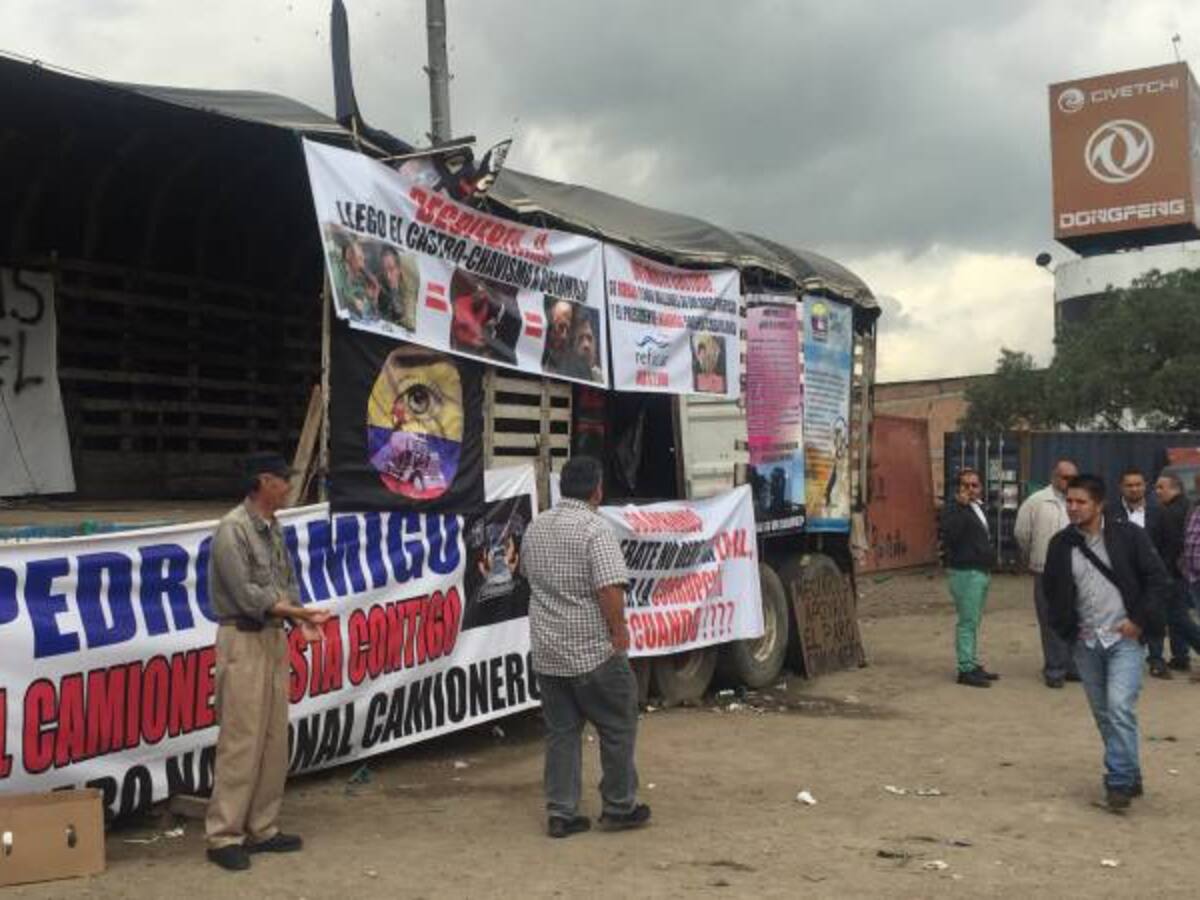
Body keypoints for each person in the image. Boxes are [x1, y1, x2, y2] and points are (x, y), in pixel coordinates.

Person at [205, 454, 331, 871]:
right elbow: (248, 596)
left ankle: (262, 827)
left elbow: (285, 582)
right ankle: (224, 835)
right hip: (242, 639)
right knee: (241, 739)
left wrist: (300, 620)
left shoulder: (273, 528)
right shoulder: (232, 530)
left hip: (273, 637)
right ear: (264, 481)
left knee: (274, 740)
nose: (289, 486)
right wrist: (300, 615)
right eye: (283, 479)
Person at [519, 455, 650, 838]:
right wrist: (619, 630)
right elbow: (608, 587)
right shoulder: (596, 529)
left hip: (548, 651)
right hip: (592, 650)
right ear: (597, 489)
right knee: (618, 723)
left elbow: (527, 575)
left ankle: (562, 813)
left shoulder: (536, 526)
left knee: (561, 732)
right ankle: (619, 805)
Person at [1043, 474, 1167, 811]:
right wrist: (1066, 629)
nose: (1073, 507)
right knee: (1104, 714)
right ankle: (1131, 771)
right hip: (1086, 643)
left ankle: (1118, 782)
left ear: (1099, 505)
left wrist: (1138, 620)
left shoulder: (1129, 537)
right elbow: (1051, 591)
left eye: (1081, 502)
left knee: (1119, 707)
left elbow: (1157, 579)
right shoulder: (1060, 545)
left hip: (1125, 639)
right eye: (1069, 501)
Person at [1015, 458, 1080, 687]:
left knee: (1075, 619)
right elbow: (1022, 533)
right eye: (1065, 477)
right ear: (1054, 476)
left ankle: (1072, 666)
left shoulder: (1080, 502)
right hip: (1046, 572)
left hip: (1077, 573)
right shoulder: (1037, 501)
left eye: (1073, 478)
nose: (1069, 482)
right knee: (1050, 621)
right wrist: (1036, 557)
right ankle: (1054, 669)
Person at [941, 468, 998, 687]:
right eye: (966, 485)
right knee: (967, 622)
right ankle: (965, 669)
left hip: (980, 571)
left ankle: (972, 663)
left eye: (975, 485)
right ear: (958, 488)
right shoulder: (953, 510)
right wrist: (960, 505)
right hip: (965, 572)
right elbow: (951, 535)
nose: (971, 489)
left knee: (973, 621)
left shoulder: (979, 508)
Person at [1147, 473, 1200, 676]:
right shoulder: (1188, 506)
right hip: (1184, 572)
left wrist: (1163, 574)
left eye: (1161, 487)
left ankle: (1183, 655)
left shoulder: (1168, 512)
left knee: (1177, 617)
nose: (1156, 492)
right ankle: (1180, 657)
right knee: (1177, 614)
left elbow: (1170, 547)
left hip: (1172, 573)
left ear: (1175, 488)